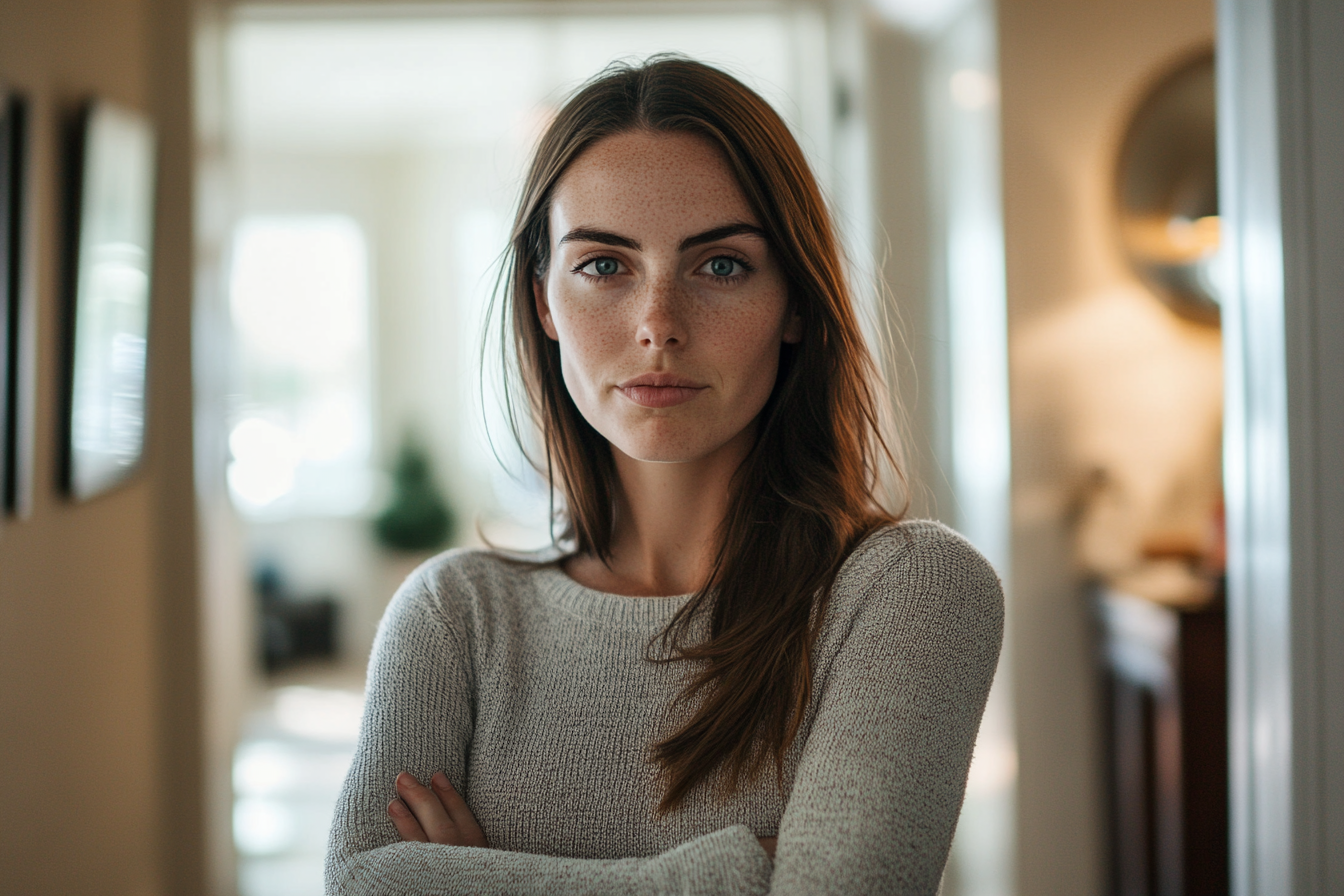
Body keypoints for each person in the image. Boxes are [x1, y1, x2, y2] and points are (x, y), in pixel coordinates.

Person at [325, 56, 1003, 896]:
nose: (658, 326)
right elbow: (364, 884)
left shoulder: (909, 593)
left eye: (720, 265)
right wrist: (740, 869)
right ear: (543, 302)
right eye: (604, 265)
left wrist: (468, 877)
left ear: (794, 300)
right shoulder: (453, 616)